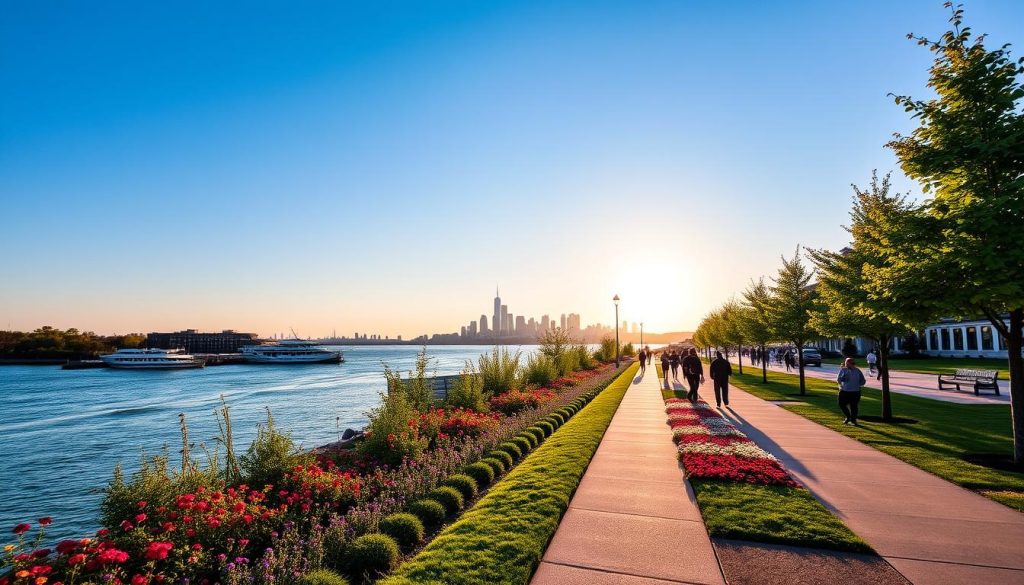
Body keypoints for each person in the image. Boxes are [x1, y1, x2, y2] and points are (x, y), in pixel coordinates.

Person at [837, 357, 866, 425]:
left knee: (854, 406)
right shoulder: (843, 370)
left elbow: (863, 381)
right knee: (841, 404)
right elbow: (838, 380)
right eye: (845, 363)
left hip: (855, 392)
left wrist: (858, 384)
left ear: (852, 363)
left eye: (847, 363)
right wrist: (842, 381)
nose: (845, 364)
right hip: (844, 391)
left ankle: (853, 420)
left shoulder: (857, 371)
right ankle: (848, 416)